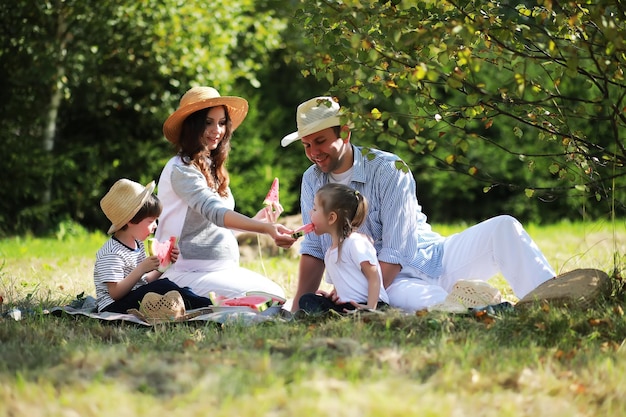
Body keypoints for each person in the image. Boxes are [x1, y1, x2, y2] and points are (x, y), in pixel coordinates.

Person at [278, 96, 557, 313]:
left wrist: (357, 292)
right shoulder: (312, 180)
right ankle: (477, 305)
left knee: (504, 227)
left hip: (434, 258)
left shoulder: (389, 169)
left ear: (345, 134)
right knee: (427, 305)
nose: (314, 153)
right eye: (306, 145)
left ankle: (557, 301)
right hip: (389, 285)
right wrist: (298, 307)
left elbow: (397, 251)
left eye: (320, 141)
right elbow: (314, 249)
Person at [155, 86, 290, 299]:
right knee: (270, 298)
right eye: (208, 122)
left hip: (220, 270)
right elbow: (215, 213)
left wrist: (257, 220)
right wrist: (265, 228)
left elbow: (214, 230)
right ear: (191, 126)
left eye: (221, 122)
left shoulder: (211, 167)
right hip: (185, 272)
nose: (217, 130)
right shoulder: (180, 169)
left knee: (276, 295)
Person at [94, 178, 212, 313]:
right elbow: (115, 293)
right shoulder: (112, 253)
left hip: (133, 299)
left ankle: (202, 304)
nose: (155, 226)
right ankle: (208, 306)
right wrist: (141, 268)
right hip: (113, 308)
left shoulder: (137, 244)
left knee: (175, 289)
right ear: (131, 221)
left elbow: (145, 282)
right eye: (151, 221)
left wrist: (164, 266)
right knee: (163, 286)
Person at [298, 183, 390, 314]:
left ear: (331, 218)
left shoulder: (355, 242)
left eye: (314, 209)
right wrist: (334, 295)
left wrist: (371, 307)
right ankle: (336, 315)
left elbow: (373, 275)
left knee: (358, 312)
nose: (310, 212)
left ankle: (350, 315)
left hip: (371, 304)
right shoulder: (329, 253)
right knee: (307, 299)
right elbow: (344, 282)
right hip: (347, 306)